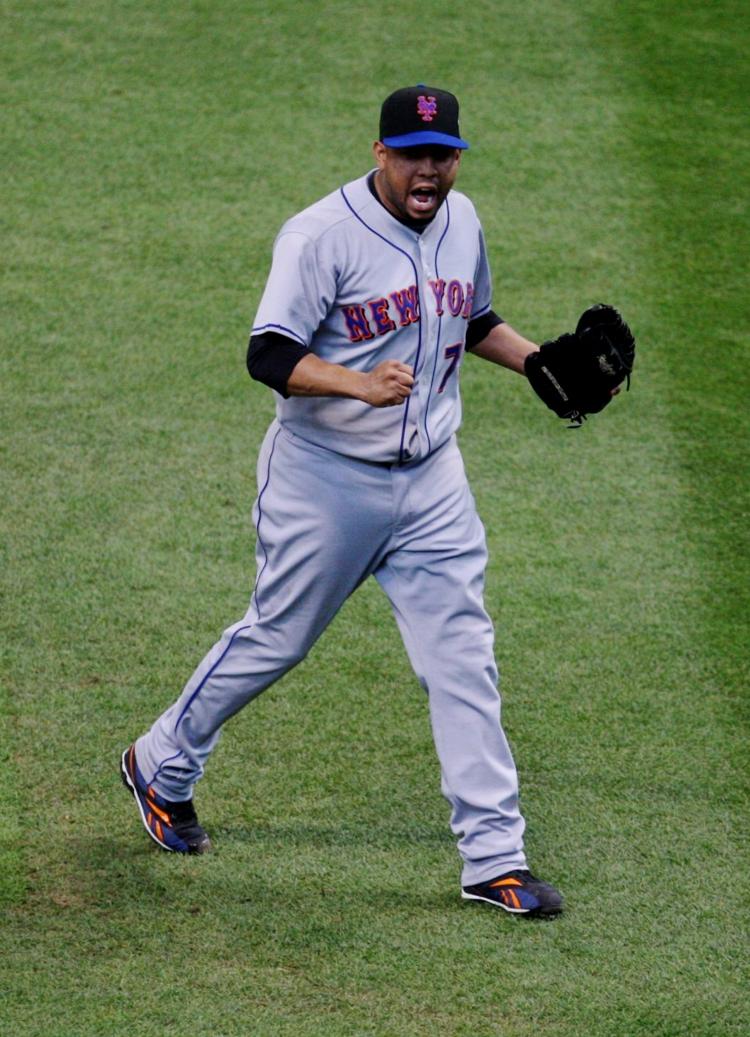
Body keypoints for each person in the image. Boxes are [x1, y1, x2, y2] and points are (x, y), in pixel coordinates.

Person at [121, 85, 563, 918]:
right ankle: (162, 759)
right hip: (325, 480)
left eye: (442, 154)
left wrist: (536, 362)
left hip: (433, 482)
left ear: (457, 158)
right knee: (277, 638)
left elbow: (470, 317)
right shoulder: (321, 236)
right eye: (411, 154)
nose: (427, 170)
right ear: (380, 154)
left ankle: (494, 856)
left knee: (463, 656)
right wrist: (357, 386)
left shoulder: (463, 222)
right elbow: (268, 354)